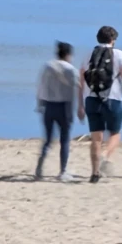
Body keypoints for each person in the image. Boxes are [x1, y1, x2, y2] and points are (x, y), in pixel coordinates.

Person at [77, 26, 122, 183]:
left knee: (96, 138)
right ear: (112, 40)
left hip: (91, 99)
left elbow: (81, 81)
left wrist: (80, 104)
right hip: (113, 99)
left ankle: (94, 173)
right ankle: (105, 155)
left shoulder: (88, 55)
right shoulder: (119, 55)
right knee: (115, 133)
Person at [35, 41, 79, 181]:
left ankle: (39, 167)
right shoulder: (71, 69)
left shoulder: (47, 66)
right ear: (68, 55)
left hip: (48, 105)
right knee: (64, 139)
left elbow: (41, 87)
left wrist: (40, 104)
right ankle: (63, 170)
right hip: (64, 106)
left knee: (48, 139)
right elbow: (78, 87)